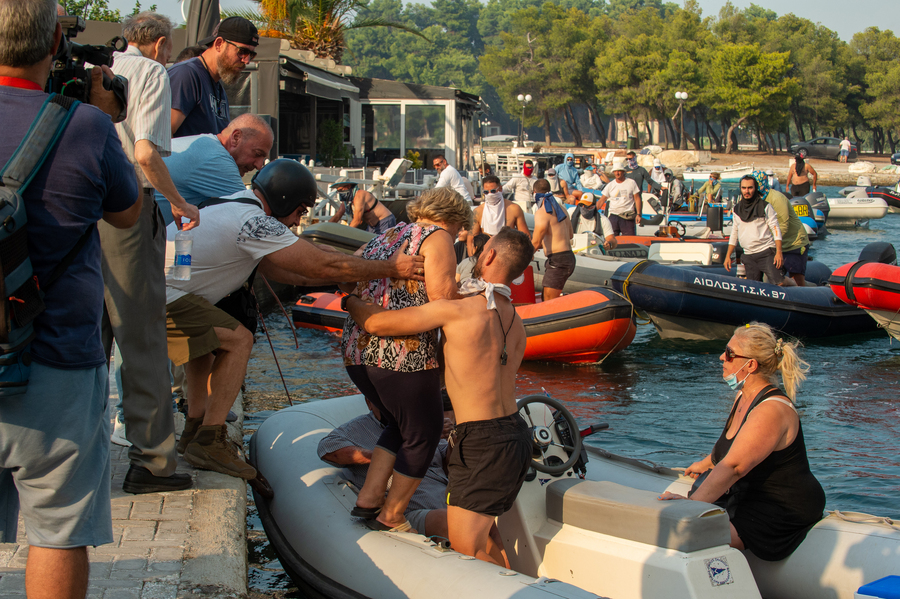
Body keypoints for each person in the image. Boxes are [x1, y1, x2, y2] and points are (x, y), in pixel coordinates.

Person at [0, 0, 141, 593]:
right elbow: (128, 213)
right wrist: (102, 116)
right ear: (56, 39)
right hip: (53, 359)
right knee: (58, 529)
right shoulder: (81, 125)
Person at [166, 159, 426, 479]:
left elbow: (287, 271)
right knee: (239, 340)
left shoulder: (234, 204)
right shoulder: (256, 222)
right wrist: (391, 268)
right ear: (284, 199)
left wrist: (343, 276)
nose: (297, 222)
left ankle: (195, 427)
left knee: (205, 344)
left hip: (159, 288)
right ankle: (209, 439)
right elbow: (320, 266)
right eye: (301, 211)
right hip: (161, 296)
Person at [345, 227, 535, 566]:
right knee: (484, 536)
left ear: (489, 256)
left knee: (468, 550)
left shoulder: (457, 311)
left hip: (481, 442)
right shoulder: (516, 322)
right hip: (517, 436)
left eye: (481, 250)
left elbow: (377, 324)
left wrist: (351, 300)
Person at [104, 11, 202, 494]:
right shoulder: (151, 73)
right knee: (141, 334)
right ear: (162, 44)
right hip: (125, 204)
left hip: (76, 207)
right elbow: (144, 154)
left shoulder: (96, 69)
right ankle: (153, 461)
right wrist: (180, 203)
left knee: (89, 333)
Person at [341, 188, 471, 532]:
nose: (459, 236)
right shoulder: (437, 236)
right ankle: (392, 514)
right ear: (452, 217)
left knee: (399, 426)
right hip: (402, 353)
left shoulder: (383, 237)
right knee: (425, 431)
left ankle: (368, 500)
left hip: (357, 350)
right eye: (460, 228)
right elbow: (442, 301)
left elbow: (344, 276)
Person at [660, 322, 826, 562]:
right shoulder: (743, 396)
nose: (721, 357)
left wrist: (691, 507)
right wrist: (706, 462)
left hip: (782, 509)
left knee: (689, 531)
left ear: (750, 364)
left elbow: (735, 466)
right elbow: (733, 447)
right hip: (749, 493)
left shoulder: (770, 411)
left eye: (729, 353)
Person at [318, 399, 451, 538]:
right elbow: (327, 449)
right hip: (411, 512)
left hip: (449, 500)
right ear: (369, 402)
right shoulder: (357, 429)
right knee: (449, 522)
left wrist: (455, 439)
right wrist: (382, 457)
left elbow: (447, 462)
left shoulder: (420, 424)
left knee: (466, 516)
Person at [155, 113, 274, 225]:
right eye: (257, 154)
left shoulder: (207, 146)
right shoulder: (215, 158)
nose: (258, 166)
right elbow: (255, 217)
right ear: (236, 138)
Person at [168, 16, 259, 137]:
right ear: (219, 44)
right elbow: (162, 135)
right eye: (242, 51)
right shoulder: (186, 74)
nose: (246, 60)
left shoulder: (218, 86)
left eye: (251, 54)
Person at [723, 175, 795, 287]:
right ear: (740, 189)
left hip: (766, 251)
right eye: (744, 188)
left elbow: (776, 229)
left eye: (750, 188)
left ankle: (792, 283)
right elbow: (734, 233)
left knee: (779, 282)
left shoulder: (765, 207)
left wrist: (779, 252)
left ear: (755, 188)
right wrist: (728, 255)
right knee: (754, 286)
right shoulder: (737, 209)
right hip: (748, 254)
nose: (747, 191)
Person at [754, 170, 810, 286]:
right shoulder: (753, 201)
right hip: (774, 244)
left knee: (797, 278)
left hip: (793, 243)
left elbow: (783, 225)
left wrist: (770, 244)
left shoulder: (776, 198)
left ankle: (802, 297)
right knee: (774, 278)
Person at [531, 179, 575, 301]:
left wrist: (524, 259)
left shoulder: (542, 212)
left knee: (549, 300)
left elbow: (535, 242)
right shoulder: (561, 208)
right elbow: (570, 235)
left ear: (534, 193)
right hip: (568, 257)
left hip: (558, 260)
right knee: (548, 298)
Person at [469, 175, 529, 256]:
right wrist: (473, 260)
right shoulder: (478, 212)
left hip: (508, 255)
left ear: (500, 189)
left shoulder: (514, 209)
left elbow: (525, 236)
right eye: (486, 192)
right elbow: (471, 239)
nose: (490, 195)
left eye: (493, 191)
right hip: (486, 254)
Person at [328, 177, 396, 234]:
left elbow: (357, 220)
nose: (340, 193)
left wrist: (345, 234)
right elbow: (339, 213)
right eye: (338, 191)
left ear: (348, 186)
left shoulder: (359, 195)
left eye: (341, 190)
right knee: (368, 244)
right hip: (372, 225)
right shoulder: (347, 200)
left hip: (384, 221)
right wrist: (326, 227)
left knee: (384, 246)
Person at [598, 159, 643, 235]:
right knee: (611, 240)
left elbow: (637, 198)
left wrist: (638, 214)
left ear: (623, 172)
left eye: (619, 171)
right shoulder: (610, 185)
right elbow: (601, 200)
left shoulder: (631, 182)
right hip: (613, 216)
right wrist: (592, 211)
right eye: (615, 171)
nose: (617, 173)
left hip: (627, 216)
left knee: (630, 242)